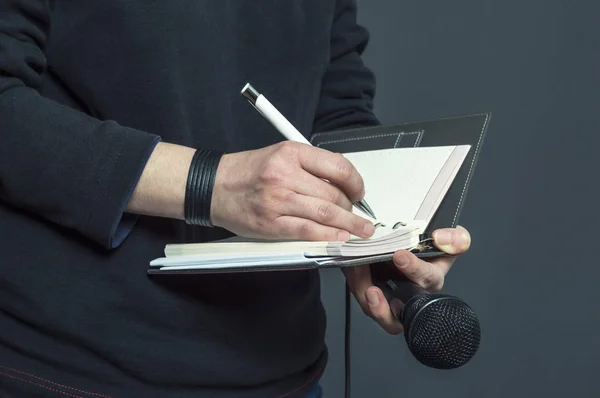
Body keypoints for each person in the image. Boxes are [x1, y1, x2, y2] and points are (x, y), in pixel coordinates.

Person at [0, 1, 471, 397]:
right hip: (71, 368)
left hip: (287, 369)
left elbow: (336, 97)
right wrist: (210, 184)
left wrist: (386, 238)